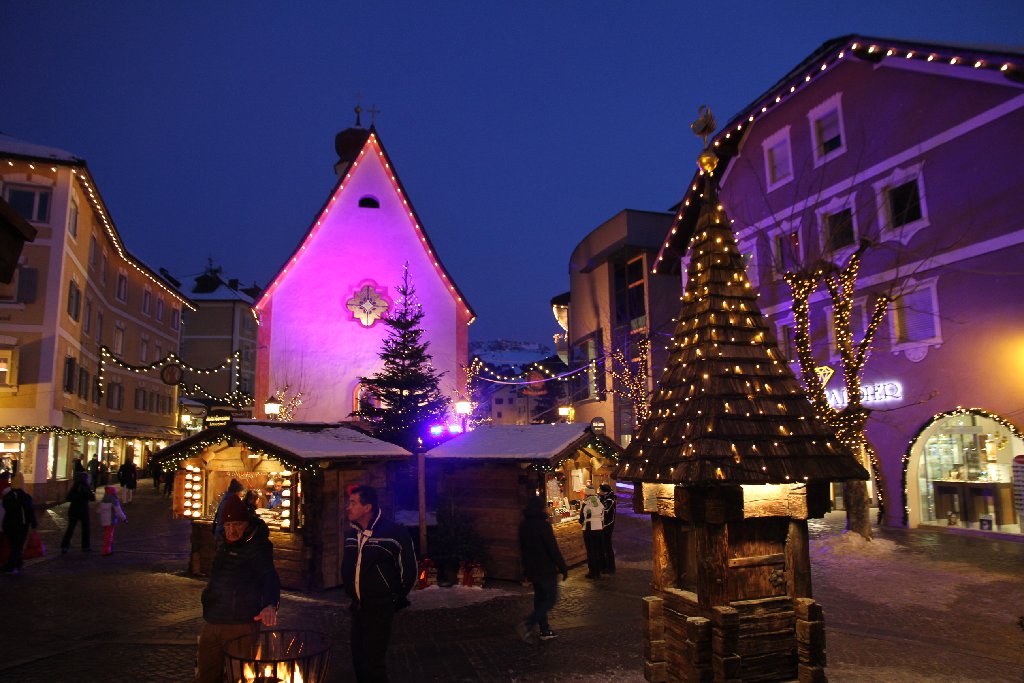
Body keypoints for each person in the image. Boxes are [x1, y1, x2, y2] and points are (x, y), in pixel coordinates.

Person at [196, 494, 280, 683]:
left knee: (240, 676)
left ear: (246, 524)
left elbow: (269, 576)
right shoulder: (223, 544)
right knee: (206, 674)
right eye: (227, 526)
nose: (232, 530)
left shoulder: (258, 546)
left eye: (237, 525)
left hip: (240, 623)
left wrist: (270, 604)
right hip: (213, 620)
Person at [341, 484, 416, 683]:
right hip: (358, 606)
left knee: (372, 661)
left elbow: (409, 569)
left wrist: (394, 597)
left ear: (367, 508)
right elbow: (348, 566)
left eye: (353, 503)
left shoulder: (392, 533)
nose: (348, 507)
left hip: (380, 606)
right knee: (358, 658)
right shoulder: (351, 534)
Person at [516, 495, 568, 643]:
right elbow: (552, 548)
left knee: (539, 599)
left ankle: (544, 629)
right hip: (546, 568)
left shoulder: (523, 525)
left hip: (533, 569)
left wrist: (525, 569)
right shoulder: (543, 525)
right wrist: (562, 567)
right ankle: (528, 623)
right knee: (550, 599)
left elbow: (522, 549)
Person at [1, 473, 38, 574]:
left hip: (8, 524)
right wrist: (34, 524)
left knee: (13, 545)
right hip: (20, 525)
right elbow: (29, 511)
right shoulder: (25, 497)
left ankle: (18, 563)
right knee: (17, 546)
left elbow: (6, 508)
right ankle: (11, 566)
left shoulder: (7, 496)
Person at [62, 472, 96, 554]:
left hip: (73, 509)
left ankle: (65, 546)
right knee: (85, 528)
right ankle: (85, 546)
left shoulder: (75, 486)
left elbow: (68, 497)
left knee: (70, 528)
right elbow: (92, 498)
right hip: (83, 509)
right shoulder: (85, 486)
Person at [578, 486, 604, 579]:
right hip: (599, 528)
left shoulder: (586, 504)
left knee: (591, 551)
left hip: (589, 528)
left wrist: (582, 522)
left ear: (587, 493)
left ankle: (592, 572)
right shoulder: (599, 502)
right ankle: (598, 571)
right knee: (597, 550)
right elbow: (602, 515)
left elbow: (582, 519)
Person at [97, 486, 127, 556]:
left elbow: (98, 510)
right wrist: (124, 519)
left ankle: (108, 548)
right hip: (110, 520)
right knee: (109, 535)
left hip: (104, 520)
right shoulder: (114, 500)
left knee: (106, 534)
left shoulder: (104, 499)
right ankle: (106, 550)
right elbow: (119, 511)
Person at [598, 482, 616, 574]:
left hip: (607, 526)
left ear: (604, 491)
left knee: (607, 546)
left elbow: (604, 511)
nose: (599, 491)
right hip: (603, 525)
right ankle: (604, 565)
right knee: (603, 546)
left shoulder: (609, 500)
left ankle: (611, 567)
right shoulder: (603, 498)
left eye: (600, 490)